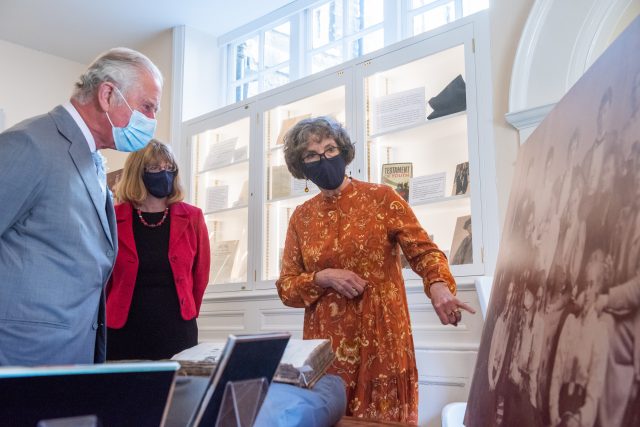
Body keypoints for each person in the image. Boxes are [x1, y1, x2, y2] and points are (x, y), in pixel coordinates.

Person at [275, 116, 473, 424]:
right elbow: (287, 287)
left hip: (381, 335)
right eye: (311, 155)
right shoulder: (300, 218)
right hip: (326, 347)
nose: (323, 159)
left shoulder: (383, 198)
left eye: (329, 149)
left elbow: (424, 251)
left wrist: (438, 285)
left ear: (343, 150)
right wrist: (323, 277)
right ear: (301, 166)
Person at [0, 47, 162, 366]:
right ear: (107, 94)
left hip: (70, 358)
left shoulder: (92, 162)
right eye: (147, 107)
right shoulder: (30, 144)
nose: (152, 120)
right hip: (20, 359)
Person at [106, 140, 210, 360]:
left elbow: (200, 276)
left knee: (175, 394)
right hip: (123, 331)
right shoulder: (112, 218)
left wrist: (187, 312)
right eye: (155, 168)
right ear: (137, 172)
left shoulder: (193, 217)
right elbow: (102, 278)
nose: (164, 174)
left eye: (169, 168)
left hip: (177, 330)